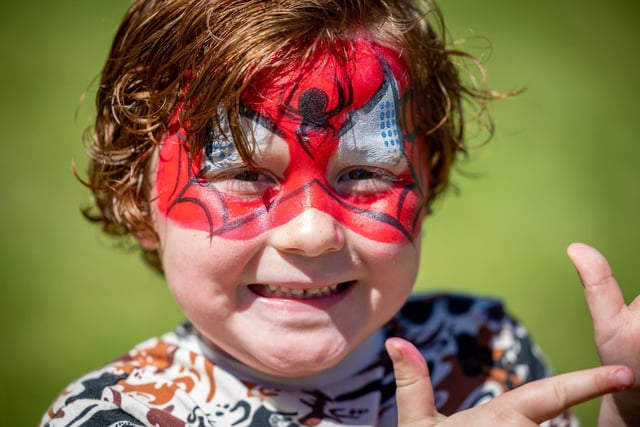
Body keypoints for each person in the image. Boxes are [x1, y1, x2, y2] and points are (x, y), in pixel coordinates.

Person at [41, 0, 639, 425]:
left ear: (428, 183)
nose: (311, 232)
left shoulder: (480, 356)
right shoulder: (117, 415)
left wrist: (627, 406)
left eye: (366, 173)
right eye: (246, 175)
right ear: (136, 202)